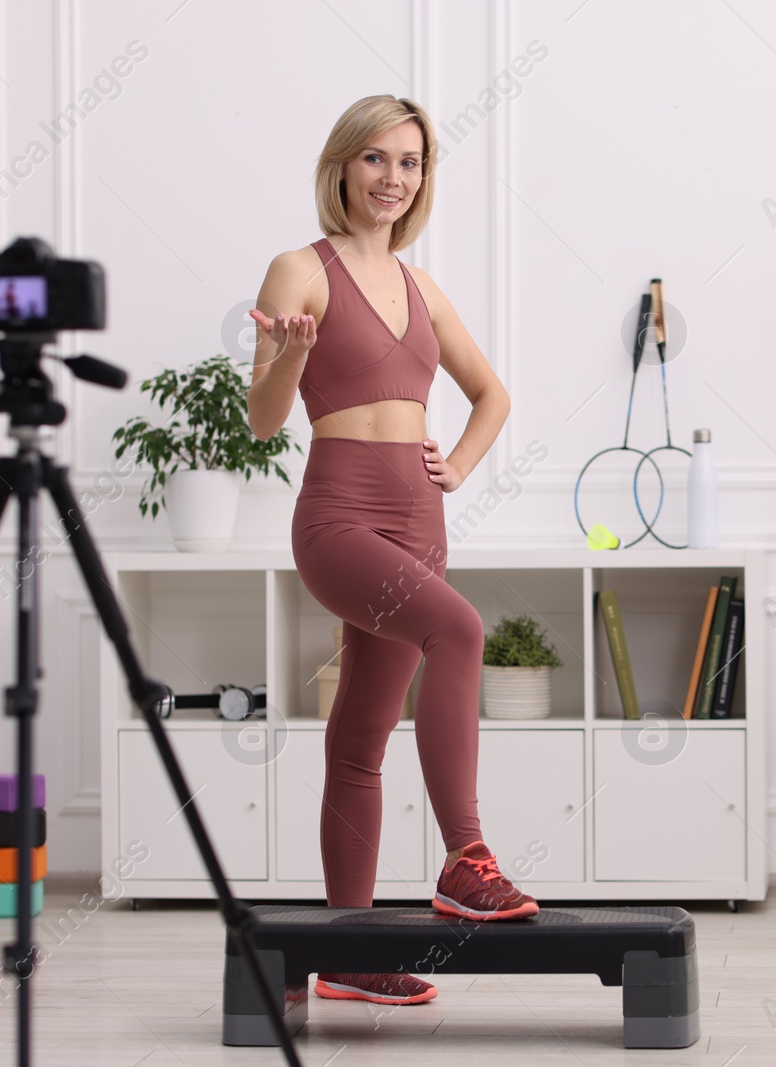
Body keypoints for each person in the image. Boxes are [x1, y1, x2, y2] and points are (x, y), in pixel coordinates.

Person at [245, 95, 536, 1007]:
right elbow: (261, 421)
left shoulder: (420, 287)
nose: (392, 179)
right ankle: (466, 858)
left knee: (361, 739)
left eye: (409, 163)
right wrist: (289, 357)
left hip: (420, 521)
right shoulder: (300, 268)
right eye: (376, 159)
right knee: (460, 631)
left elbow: (493, 394)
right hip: (339, 518)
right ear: (342, 166)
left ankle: (351, 948)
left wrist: (458, 463)